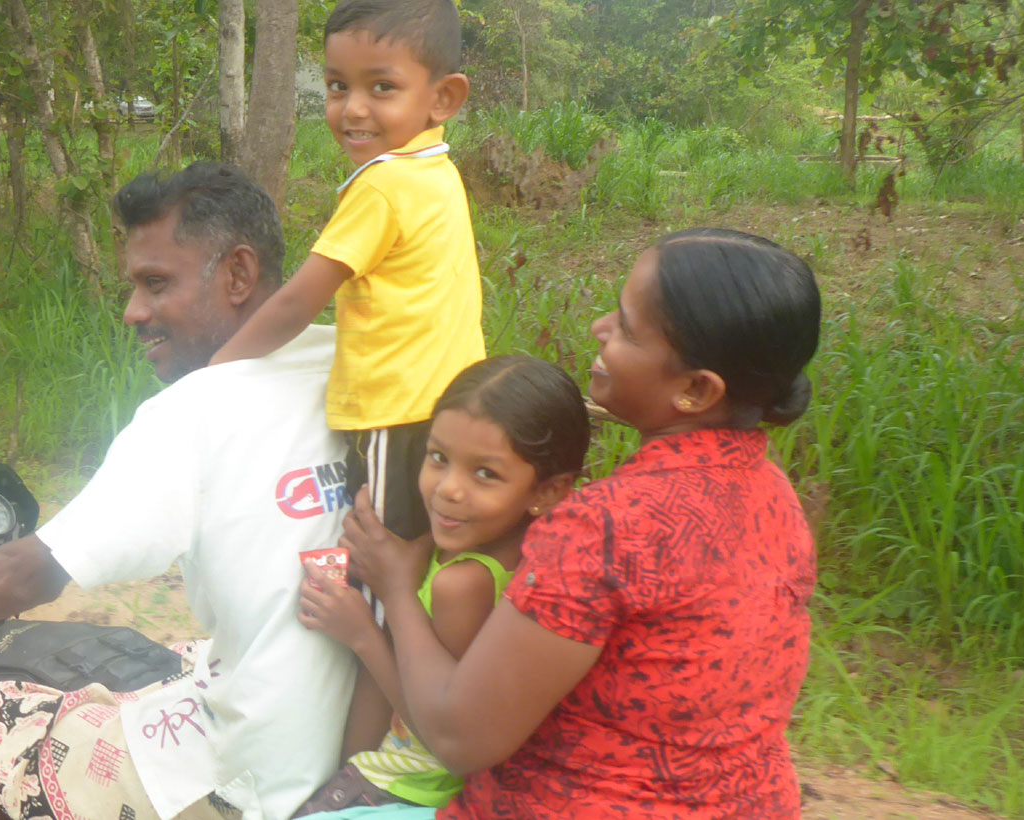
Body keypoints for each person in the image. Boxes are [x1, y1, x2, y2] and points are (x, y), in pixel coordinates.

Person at [0, 162, 359, 820]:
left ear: (239, 275)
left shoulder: (190, 414)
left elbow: (36, 574)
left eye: (157, 284)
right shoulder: (349, 366)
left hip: (252, 778)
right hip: (345, 742)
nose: (134, 311)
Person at [323, 228, 822, 820]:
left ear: (695, 389)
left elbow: (461, 740)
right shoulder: (773, 495)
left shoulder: (610, 524)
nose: (600, 328)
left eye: (629, 327)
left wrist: (397, 592)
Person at [209, 0, 483, 541]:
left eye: (381, 87)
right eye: (338, 86)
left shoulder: (382, 185)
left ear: (443, 97)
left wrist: (216, 370)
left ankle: (372, 627)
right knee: (425, 545)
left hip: (393, 410)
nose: (353, 109)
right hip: (452, 398)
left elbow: (295, 302)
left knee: (377, 546)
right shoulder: (436, 168)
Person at [291, 356, 591, 815]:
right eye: (438, 458)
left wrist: (363, 633)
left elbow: (439, 732)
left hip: (408, 789)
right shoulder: (492, 550)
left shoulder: (464, 583)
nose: (448, 488)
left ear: (548, 492)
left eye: (485, 473)